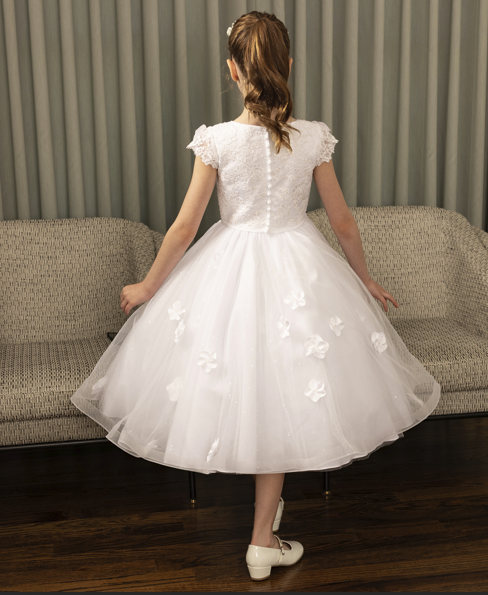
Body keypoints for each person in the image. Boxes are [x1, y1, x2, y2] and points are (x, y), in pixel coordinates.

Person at [70, 10, 441, 581]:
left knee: (246, 393)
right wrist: (364, 279)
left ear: (233, 70)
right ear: (288, 65)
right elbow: (342, 222)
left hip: (229, 269)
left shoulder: (217, 141)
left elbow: (184, 228)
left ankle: (263, 538)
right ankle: (261, 540)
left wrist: (149, 286)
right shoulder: (311, 137)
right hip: (300, 269)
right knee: (285, 400)